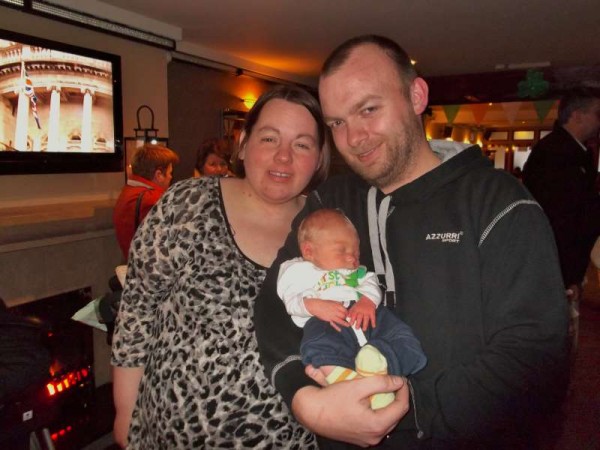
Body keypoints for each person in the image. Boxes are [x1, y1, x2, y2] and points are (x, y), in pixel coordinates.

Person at [255, 35, 569, 449]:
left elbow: (534, 350)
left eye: (368, 109)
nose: (354, 137)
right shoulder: (330, 202)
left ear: (416, 95)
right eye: (337, 123)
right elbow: (275, 302)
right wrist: (306, 400)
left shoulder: (499, 203)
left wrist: (416, 409)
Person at [110, 84, 330, 449]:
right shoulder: (188, 204)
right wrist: (125, 413)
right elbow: (137, 311)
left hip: (289, 438)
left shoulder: (326, 224)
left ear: (319, 157)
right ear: (243, 144)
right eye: (269, 138)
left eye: (302, 144)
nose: (284, 157)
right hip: (178, 434)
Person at [277, 208, 426, 409]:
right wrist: (313, 306)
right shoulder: (298, 271)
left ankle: (379, 362)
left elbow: (371, 282)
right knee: (316, 345)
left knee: (403, 336)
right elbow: (291, 300)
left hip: (367, 314)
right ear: (309, 251)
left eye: (356, 252)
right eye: (342, 250)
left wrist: (367, 301)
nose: (352, 258)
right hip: (329, 320)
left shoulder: (358, 274)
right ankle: (348, 381)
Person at [523, 88, 600, 302]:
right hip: (554, 263)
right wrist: (568, 275)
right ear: (577, 116)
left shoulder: (573, 152)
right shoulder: (556, 154)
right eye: (597, 114)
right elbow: (559, 219)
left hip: (560, 262)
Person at [113, 143, 180, 260]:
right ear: (159, 175)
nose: (171, 177)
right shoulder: (153, 199)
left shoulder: (129, 191)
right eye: (170, 173)